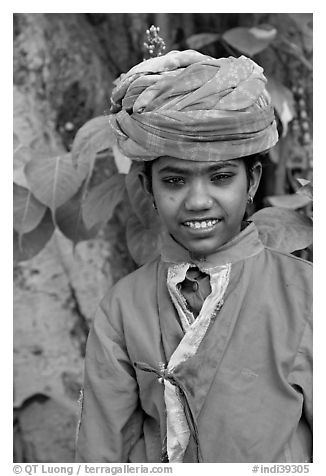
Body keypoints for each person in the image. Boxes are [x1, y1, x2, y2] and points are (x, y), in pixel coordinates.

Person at [75, 50, 312, 463]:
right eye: (174, 180)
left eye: (221, 177)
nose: (198, 201)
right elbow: (101, 452)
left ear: (252, 181)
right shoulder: (122, 308)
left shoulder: (307, 296)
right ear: (147, 188)